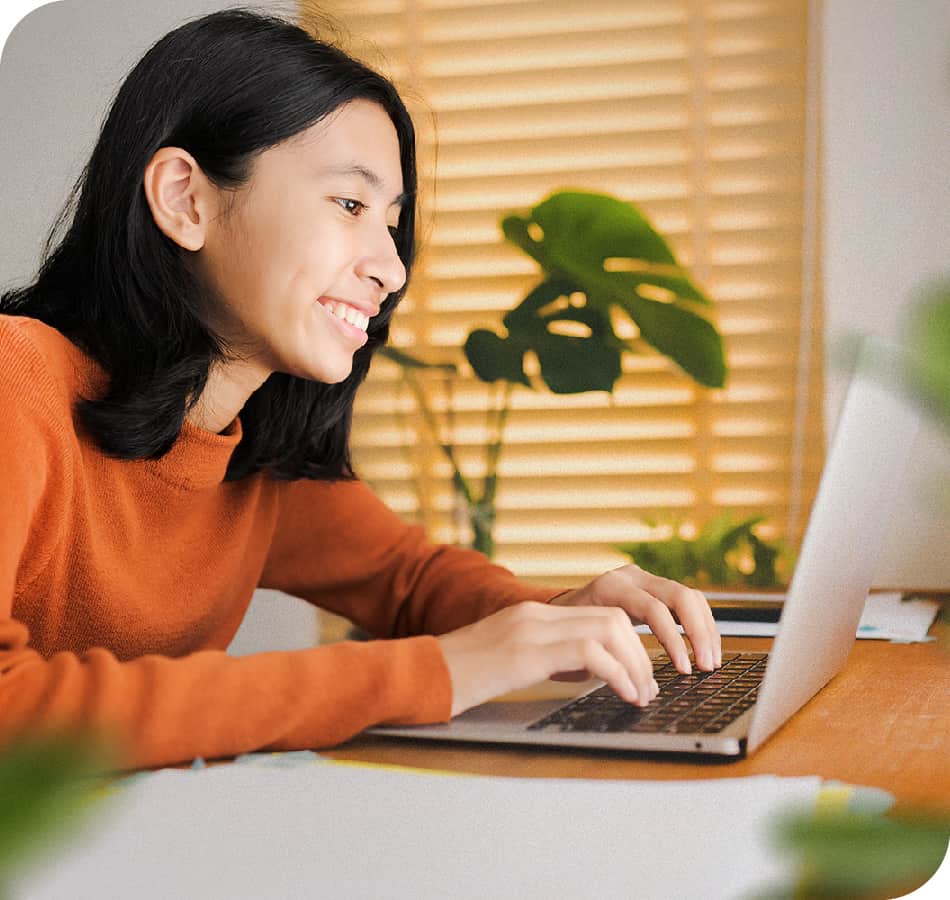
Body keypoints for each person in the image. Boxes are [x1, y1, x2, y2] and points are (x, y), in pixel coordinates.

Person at [0, 7, 721, 771]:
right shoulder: (17, 384)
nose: (391, 267)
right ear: (187, 199)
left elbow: (407, 580)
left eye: (392, 221)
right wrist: (436, 673)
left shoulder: (250, 445)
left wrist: (551, 617)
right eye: (349, 204)